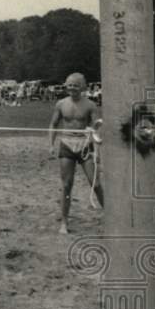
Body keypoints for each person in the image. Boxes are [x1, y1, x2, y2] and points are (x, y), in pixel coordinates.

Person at [49, 72, 104, 234]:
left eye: (76, 85)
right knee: (66, 185)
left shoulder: (90, 105)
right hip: (66, 145)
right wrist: (51, 145)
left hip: (85, 146)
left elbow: (97, 129)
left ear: (83, 87)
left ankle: (112, 217)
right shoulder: (60, 104)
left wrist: (97, 150)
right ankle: (64, 223)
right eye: (69, 84)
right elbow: (53, 124)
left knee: (96, 184)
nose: (72, 88)